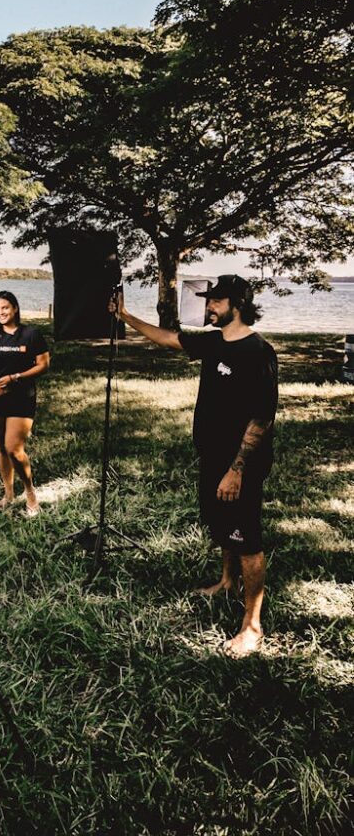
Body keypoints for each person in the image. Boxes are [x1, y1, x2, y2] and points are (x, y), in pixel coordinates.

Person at [111, 275, 278, 657]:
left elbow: (261, 418)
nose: (208, 309)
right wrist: (125, 315)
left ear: (236, 302)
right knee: (222, 524)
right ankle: (226, 582)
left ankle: (252, 626)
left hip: (240, 465)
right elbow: (168, 339)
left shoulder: (259, 352)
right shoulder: (213, 342)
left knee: (246, 539)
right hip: (212, 456)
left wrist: (236, 469)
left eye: (214, 302)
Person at [0, 291, 50, 518]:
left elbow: (43, 365)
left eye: (5, 308)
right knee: (1, 447)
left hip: (21, 397)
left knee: (14, 449)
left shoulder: (31, 334)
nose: (1, 313)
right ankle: (8, 494)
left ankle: (30, 495)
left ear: (15, 308)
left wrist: (16, 377)